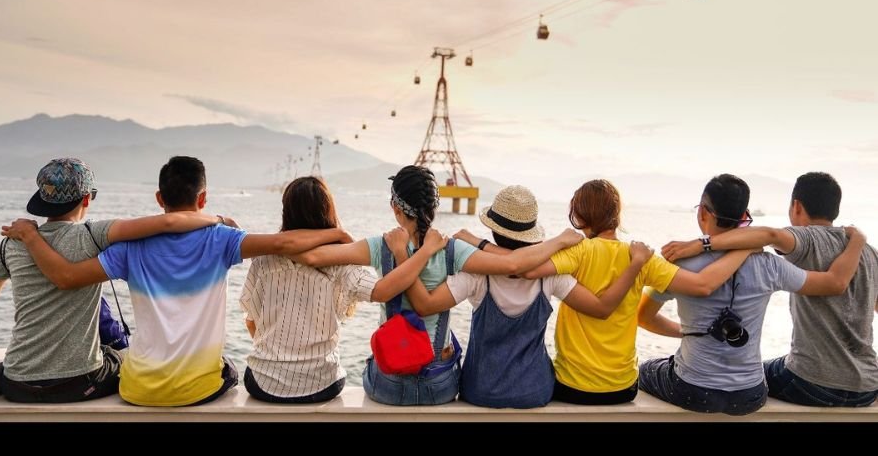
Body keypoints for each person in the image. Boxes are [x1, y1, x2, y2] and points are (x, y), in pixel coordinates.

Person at [2, 156, 351, 407]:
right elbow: (285, 243)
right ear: (202, 199)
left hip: (136, 390)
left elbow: (67, 277)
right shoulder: (223, 239)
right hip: (197, 391)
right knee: (228, 367)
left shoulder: (130, 248)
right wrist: (339, 233)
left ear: (159, 198)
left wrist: (32, 238)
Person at [291, 165, 585, 406]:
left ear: (395, 208)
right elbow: (514, 265)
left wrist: (340, 234)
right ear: (435, 207)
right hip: (439, 385)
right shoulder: (453, 250)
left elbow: (312, 256)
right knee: (449, 347)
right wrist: (559, 241)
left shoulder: (380, 246)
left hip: (389, 385)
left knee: (374, 360)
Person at [0, 157, 221, 403]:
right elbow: (169, 222)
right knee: (121, 357)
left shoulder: (11, 243)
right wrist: (218, 220)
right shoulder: (92, 236)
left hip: (16, 382)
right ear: (86, 199)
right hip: (76, 383)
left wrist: (30, 235)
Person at [396, 184, 655, 409]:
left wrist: (404, 259)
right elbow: (600, 308)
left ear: (494, 231)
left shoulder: (476, 274)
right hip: (535, 391)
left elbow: (425, 305)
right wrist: (633, 266)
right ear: (530, 233)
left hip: (480, 390)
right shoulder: (551, 275)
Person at [515, 179, 758, 405]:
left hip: (572, 387)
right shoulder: (642, 258)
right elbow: (701, 285)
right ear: (617, 215)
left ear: (578, 216)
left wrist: (557, 241)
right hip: (623, 389)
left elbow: (526, 268)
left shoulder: (577, 252)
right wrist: (744, 248)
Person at [638, 174, 866, 415]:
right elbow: (832, 283)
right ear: (745, 217)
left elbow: (643, 317)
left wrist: (688, 332)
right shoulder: (770, 265)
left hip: (694, 391)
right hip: (750, 394)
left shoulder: (678, 263)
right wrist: (857, 240)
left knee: (646, 369)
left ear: (703, 212)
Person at [240, 176, 448, 404]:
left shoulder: (263, 260)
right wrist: (424, 251)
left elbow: (251, 322)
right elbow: (382, 291)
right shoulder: (342, 264)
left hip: (263, 383)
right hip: (321, 384)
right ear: (328, 212)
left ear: (286, 212)